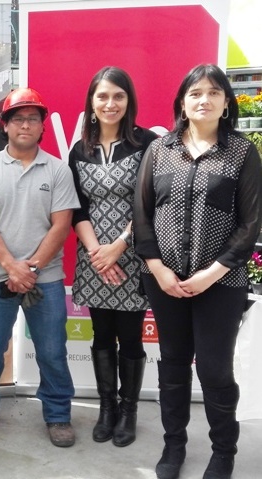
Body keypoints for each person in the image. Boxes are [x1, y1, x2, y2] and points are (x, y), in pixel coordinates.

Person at [134, 63, 262, 479]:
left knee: (213, 369)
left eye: (213, 92)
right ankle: (174, 447)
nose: (203, 100)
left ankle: (223, 451)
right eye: (195, 93)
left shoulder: (242, 152)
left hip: (220, 283)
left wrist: (212, 273)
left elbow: (251, 223)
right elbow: (142, 215)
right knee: (171, 364)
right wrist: (159, 270)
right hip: (164, 281)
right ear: (182, 103)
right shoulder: (160, 150)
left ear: (227, 102)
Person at [0, 87, 80, 447]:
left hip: (48, 278)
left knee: (52, 350)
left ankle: (58, 415)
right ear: (6, 126)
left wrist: (32, 268)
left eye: (33, 118)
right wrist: (11, 266)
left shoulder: (58, 169)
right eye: (18, 118)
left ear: (43, 126)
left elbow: (61, 225)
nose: (26, 124)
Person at [68, 66, 158, 447]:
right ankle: (107, 408)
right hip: (93, 259)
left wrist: (120, 246)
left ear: (129, 101)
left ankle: (129, 411)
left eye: (118, 96)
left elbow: (153, 204)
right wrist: (96, 253)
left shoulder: (147, 144)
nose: (110, 103)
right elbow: (77, 208)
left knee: (131, 339)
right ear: (91, 102)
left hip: (133, 256)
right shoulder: (80, 150)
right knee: (101, 336)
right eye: (102, 96)